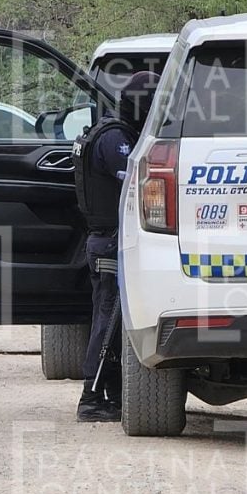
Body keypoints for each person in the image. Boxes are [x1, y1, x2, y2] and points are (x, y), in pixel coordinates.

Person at [72, 71, 159, 422]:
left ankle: (110, 392)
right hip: (108, 242)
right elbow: (141, 179)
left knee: (111, 317)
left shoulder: (108, 132)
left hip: (105, 240)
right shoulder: (115, 140)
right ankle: (91, 396)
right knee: (108, 320)